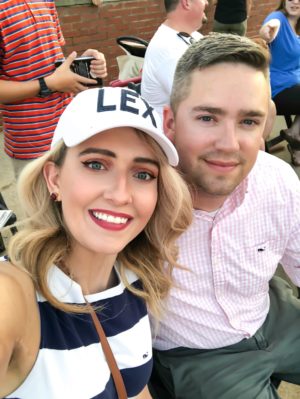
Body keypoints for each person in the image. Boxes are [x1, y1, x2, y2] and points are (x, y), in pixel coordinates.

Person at [0, 86, 192, 399]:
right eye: (96, 164)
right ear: (54, 179)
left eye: (142, 174)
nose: (119, 194)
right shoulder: (13, 295)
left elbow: (133, 388)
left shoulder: (135, 280)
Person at [149, 33, 300, 399]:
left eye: (248, 122)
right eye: (207, 117)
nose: (229, 144)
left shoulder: (276, 177)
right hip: (201, 356)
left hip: (272, 315)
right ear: (169, 123)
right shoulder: (139, 197)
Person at [0, 0, 107, 177]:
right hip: (31, 143)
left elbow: (52, 62)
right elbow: (51, 80)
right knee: (42, 204)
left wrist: (82, 64)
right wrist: (47, 84)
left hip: (69, 129)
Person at [141, 0, 208, 120]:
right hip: (172, 134)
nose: (207, 2)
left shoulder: (194, 36)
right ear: (186, 2)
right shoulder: (167, 49)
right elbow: (198, 102)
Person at [260, 0, 300, 165]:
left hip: (295, 84)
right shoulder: (277, 18)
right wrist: (266, 32)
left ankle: (295, 135)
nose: (295, 1)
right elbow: (269, 28)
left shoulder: (297, 26)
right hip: (277, 88)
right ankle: (296, 139)